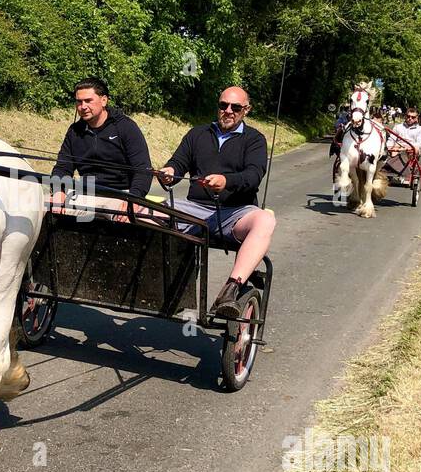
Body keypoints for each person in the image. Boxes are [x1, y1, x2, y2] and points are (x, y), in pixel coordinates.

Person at [156, 86, 276, 318]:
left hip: (235, 212)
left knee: (265, 219)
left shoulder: (255, 140)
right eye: (223, 105)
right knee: (139, 208)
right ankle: (153, 285)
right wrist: (169, 171)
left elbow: (253, 176)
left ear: (246, 110)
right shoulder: (197, 134)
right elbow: (178, 162)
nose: (228, 111)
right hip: (193, 210)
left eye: (235, 107)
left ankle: (231, 290)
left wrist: (226, 181)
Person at [51, 78, 152, 218]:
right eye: (79, 102)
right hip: (85, 193)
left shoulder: (126, 127)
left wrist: (133, 200)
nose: (83, 106)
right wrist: (58, 191)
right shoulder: (74, 131)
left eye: (88, 100)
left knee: (123, 219)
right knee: (41, 205)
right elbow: (62, 168)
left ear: (104, 100)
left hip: (121, 195)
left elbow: (143, 170)